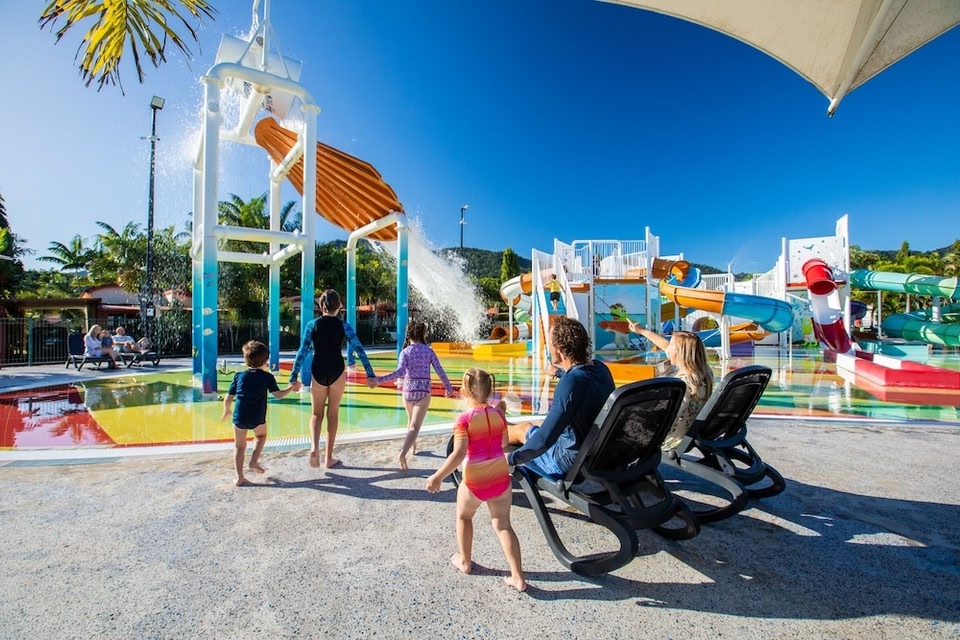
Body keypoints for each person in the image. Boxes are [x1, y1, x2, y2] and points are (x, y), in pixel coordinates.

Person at [426, 368, 527, 592]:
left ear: (464, 391)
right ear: (490, 391)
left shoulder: (464, 420)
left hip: (474, 481)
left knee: (464, 517)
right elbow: (503, 444)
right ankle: (518, 577)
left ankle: (465, 561)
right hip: (500, 478)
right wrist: (501, 414)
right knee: (503, 525)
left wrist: (438, 476)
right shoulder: (498, 415)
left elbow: (459, 454)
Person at [507, 316, 615, 478]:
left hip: (569, 461)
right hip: (599, 452)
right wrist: (559, 373)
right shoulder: (601, 369)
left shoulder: (570, 382)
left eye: (550, 343)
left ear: (559, 348)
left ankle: (490, 432)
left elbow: (544, 440)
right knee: (541, 424)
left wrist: (510, 459)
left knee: (524, 429)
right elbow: (582, 382)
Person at [289, 289, 377, 469]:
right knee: (333, 414)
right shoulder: (344, 326)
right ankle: (328, 458)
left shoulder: (312, 325)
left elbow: (302, 352)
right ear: (340, 305)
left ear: (321, 306)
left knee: (316, 414)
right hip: (337, 370)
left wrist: (293, 376)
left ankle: (314, 448)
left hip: (318, 370)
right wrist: (370, 374)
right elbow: (359, 350)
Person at [369, 320, 455, 471]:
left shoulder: (405, 352)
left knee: (410, 423)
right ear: (423, 334)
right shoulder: (428, 351)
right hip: (423, 392)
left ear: (408, 335)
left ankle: (413, 448)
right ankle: (403, 453)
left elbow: (400, 372)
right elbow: (439, 370)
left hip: (408, 392)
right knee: (415, 427)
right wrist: (449, 388)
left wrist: (379, 380)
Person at [221, 340, 301, 486]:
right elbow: (278, 395)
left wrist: (227, 410)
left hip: (239, 417)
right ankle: (254, 461)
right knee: (261, 436)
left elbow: (228, 397)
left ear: (245, 360)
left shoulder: (239, 376)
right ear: (265, 361)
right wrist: (291, 387)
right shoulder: (267, 377)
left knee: (239, 446)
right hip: (257, 417)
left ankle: (239, 477)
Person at [628, 323, 714, 449]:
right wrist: (642, 331)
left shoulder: (681, 386)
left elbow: (666, 418)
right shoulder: (705, 374)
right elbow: (667, 346)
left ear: (680, 353)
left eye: (671, 345)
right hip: (689, 433)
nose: (668, 349)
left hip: (671, 440)